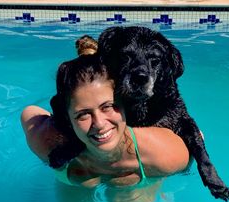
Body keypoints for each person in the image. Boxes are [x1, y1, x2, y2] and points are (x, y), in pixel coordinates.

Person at [20, 37, 191, 189]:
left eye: (108, 106)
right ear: (67, 117)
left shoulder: (159, 152)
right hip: (72, 168)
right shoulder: (48, 140)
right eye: (83, 114)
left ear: (126, 105)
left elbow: (195, 141)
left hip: (140, 180)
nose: (100, 124)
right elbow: (29, 113)